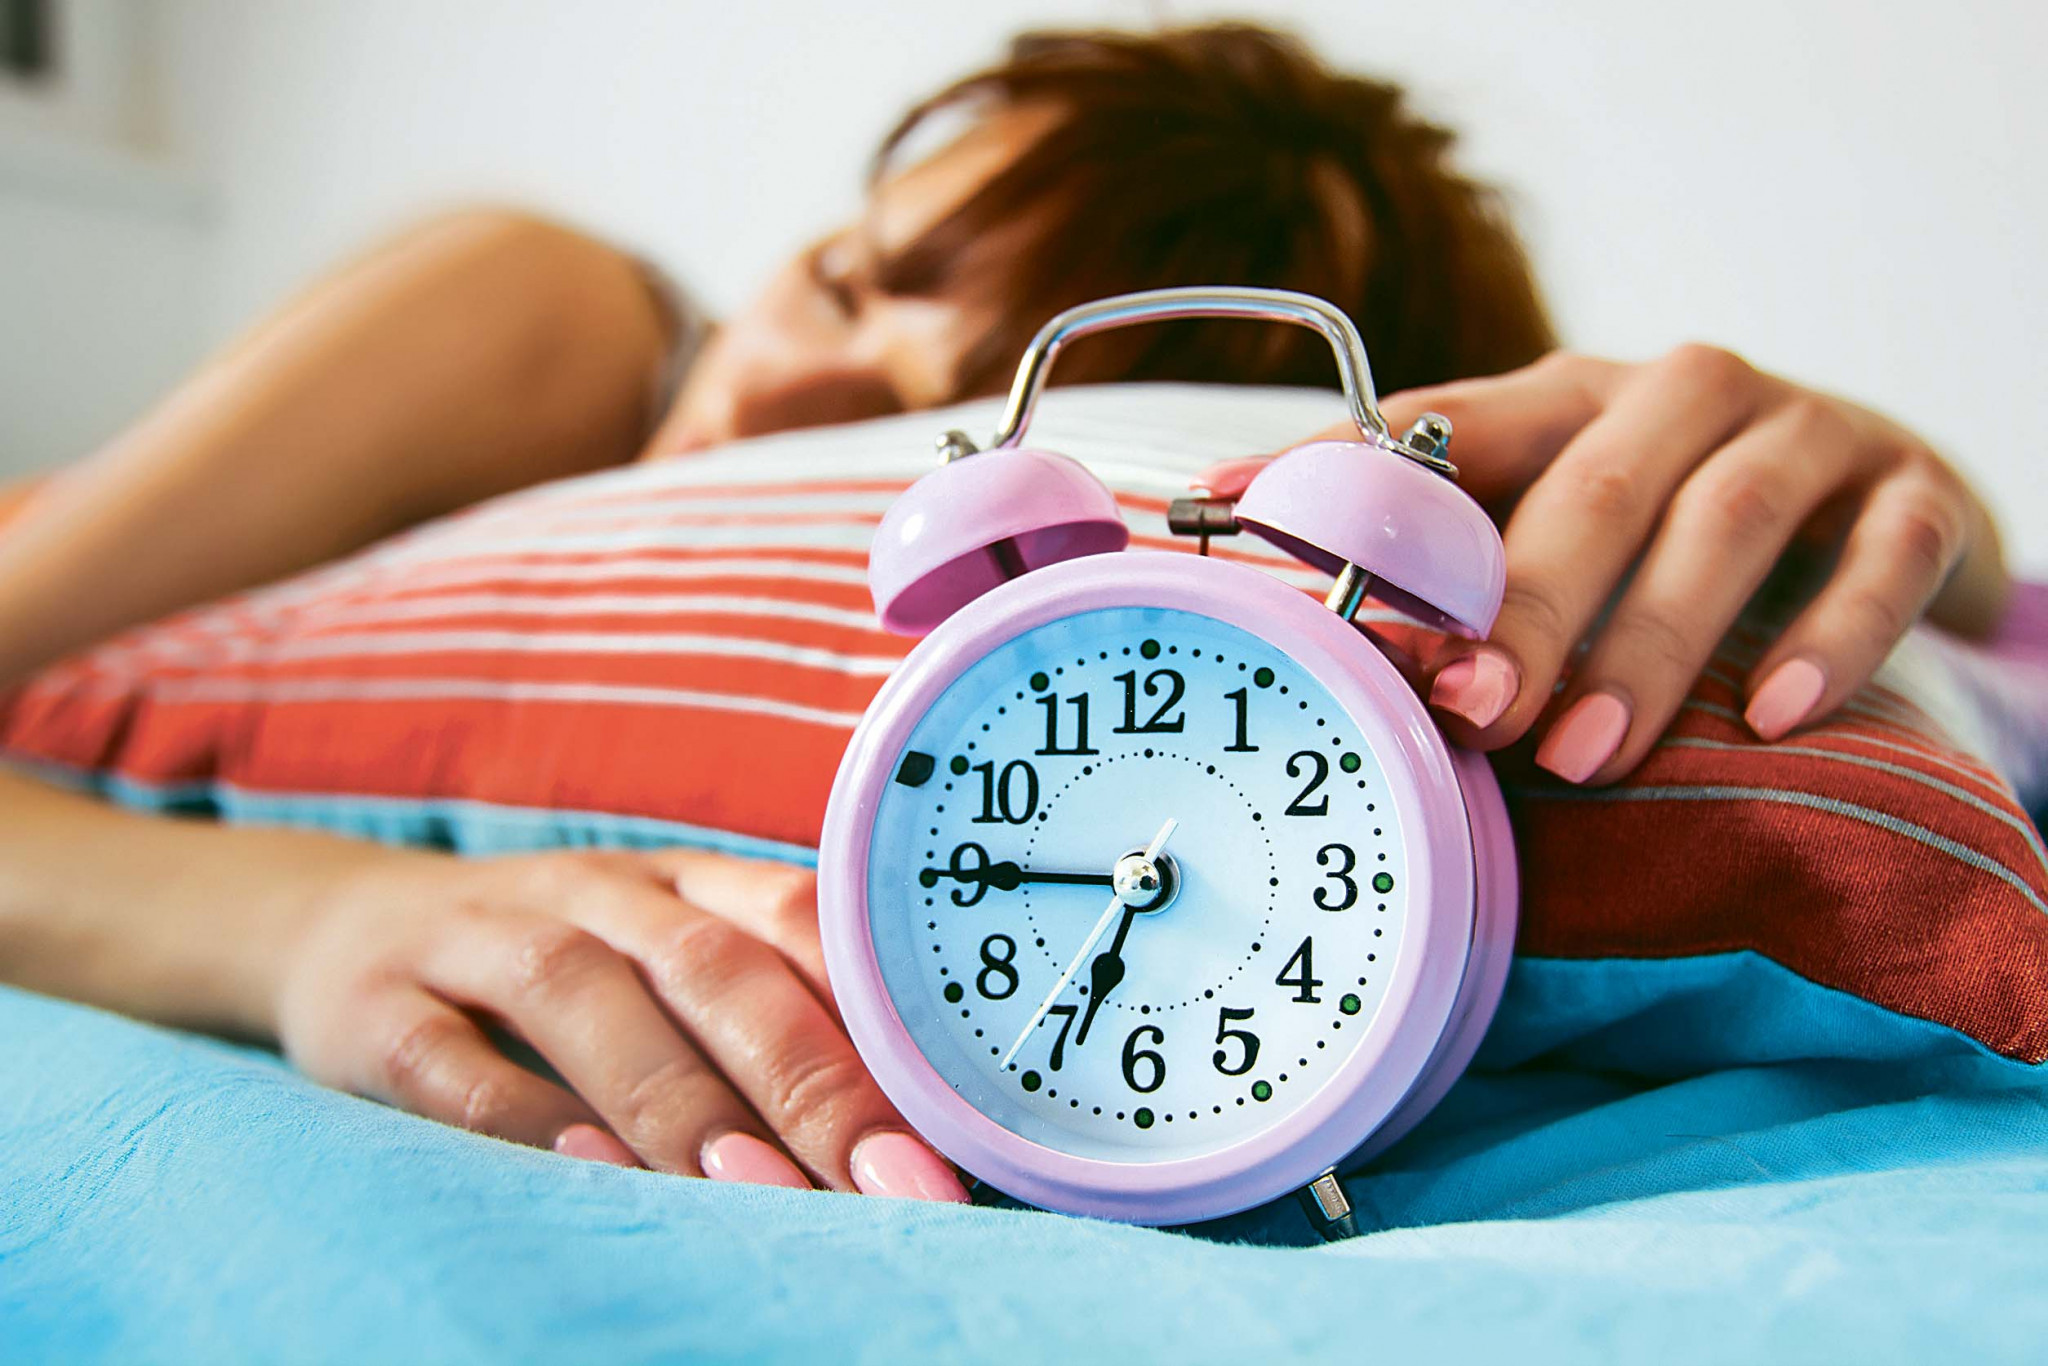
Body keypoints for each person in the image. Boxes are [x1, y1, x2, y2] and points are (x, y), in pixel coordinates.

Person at [0, 25, 2010, 1200]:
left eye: (934, 410)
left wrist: (1929, 509)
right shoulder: (558, 311)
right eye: (855, 275)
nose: (788, 397)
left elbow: (1997, 623)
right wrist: (306, 924)